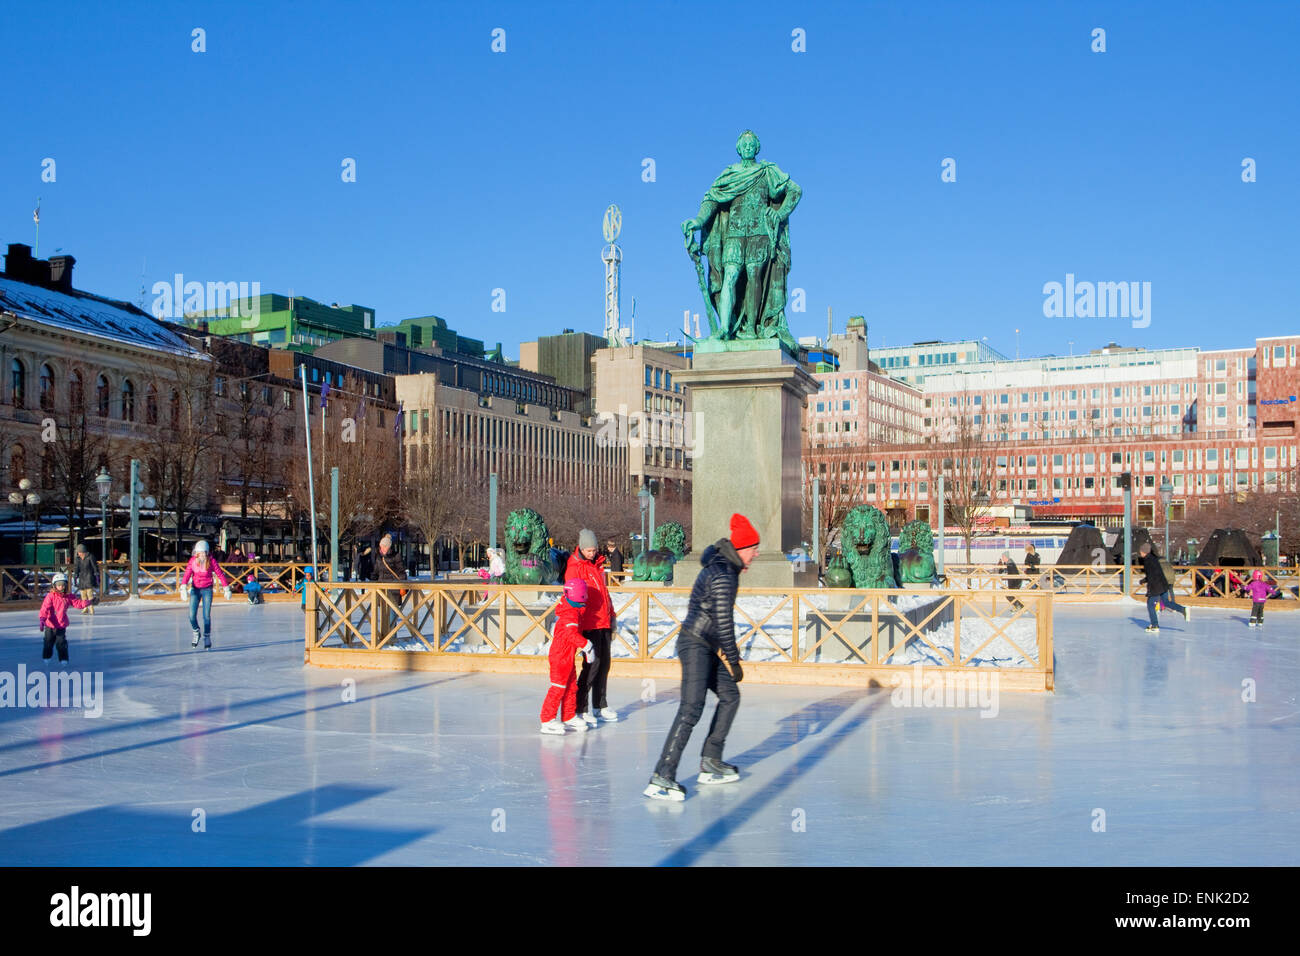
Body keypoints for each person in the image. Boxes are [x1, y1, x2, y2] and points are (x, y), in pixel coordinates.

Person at [645, 513, 759, 801]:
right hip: (696, 644)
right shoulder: (723, 574)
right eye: (754, 549)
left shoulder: (724, 567)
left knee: (730, 695)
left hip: (704, 645)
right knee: (691, 708)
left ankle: (711, 759)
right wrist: (733, 660)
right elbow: (723, 620)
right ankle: (663, 774)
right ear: (742, 549)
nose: (756, 554)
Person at [567, 529, 618, 725]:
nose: (592, 553)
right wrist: (576, 623)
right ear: (581, 547)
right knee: (591, 665)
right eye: (589, 550)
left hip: (603, 621)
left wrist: (611, 615)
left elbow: (604, 594)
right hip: (589, 623)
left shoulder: (597, 565)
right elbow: (572, 596)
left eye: (594, 549)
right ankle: (581, 707)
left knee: (604, 663)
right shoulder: (575, 566)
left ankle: (600, 704)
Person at [539, 578, 596, 735]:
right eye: (584, 594)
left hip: (567, 656)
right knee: (558, 688)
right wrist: (587, 645)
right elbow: (571, 634)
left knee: (571, 686)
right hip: (560, 657)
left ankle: (568, 716)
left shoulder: (573, 611)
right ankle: (547, 719)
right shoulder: (569, 614)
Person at [181, 540, 231, 649]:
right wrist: (183, 586)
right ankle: (196, 632)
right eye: (199, 552)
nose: (201, 555)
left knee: (206, 616)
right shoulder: (193, 561)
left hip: (207, 589)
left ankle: (207, 637)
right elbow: (187, 574)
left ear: (207, 552)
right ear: (196, 553)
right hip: (195, 589)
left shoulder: (211, 561)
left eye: (203, 552)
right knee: (191, 615)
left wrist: (226, 588)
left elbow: (220, 574)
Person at [39, 572, 95, 666]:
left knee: (61, 643)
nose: (61, 587)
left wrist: (89, 602)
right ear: (54, 585)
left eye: (63, 585)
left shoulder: (68, 596)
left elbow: (78, 603)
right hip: (50, 624)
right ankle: (47, 657)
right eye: (58, 585)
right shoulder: (50, 596)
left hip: (61, 624)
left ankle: (63, 659)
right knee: (48, 642)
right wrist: (42, 619)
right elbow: (45, 608)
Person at [1139, 543, 1189, 633]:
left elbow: (1152, 576)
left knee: (1150, 605)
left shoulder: (1148, 561)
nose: (1140, 553)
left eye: (1141, 551)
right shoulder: (1154, 559)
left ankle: (1155, 625)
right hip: (1163, 584)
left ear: (1144, 552)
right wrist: (1144, 580)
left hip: (1156, 586)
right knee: (1165, 602)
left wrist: (1150, 590)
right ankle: (1183, 609)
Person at [73, 543, 99, 614]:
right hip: (82, 578)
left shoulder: (90, 557)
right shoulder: (78, 559)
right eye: (78, 552)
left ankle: (91, 608)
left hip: (89, 577)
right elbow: (76, 568)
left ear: (83, 551)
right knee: (83, 595)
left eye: (79, 552)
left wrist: (96, 574)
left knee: (89, 594)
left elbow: (94, 566)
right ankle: (85, 608)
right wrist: (75, 574)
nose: (78, 553)